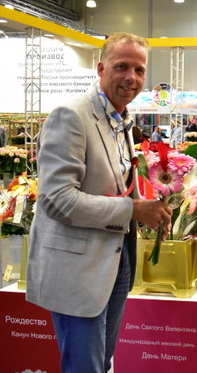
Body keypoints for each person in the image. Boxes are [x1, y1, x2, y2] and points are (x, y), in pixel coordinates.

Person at [26, 32, 172, 373]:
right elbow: (57, 200)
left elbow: (118, 185)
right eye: (122, 67)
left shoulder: (122, 121)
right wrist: (133, 210)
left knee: (102, 361)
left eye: (139, 70)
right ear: (101, 68)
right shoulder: (71, 115)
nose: (131, 78)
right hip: (78, 268)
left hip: (116, 259)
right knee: (85, 366)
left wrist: (148, 211)